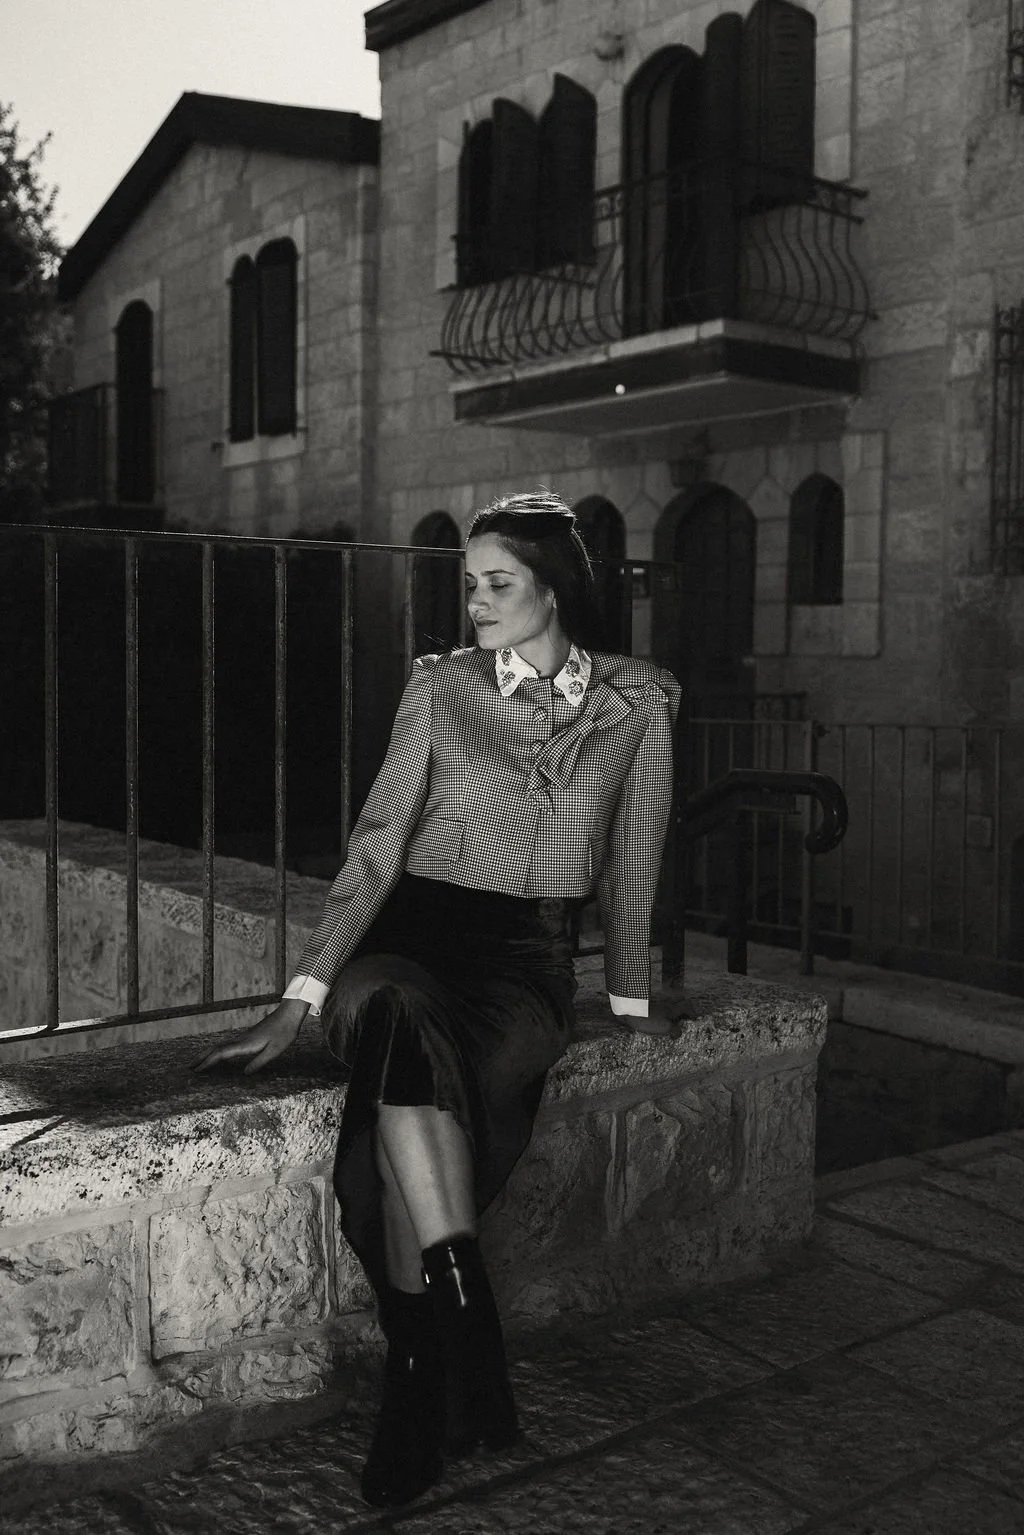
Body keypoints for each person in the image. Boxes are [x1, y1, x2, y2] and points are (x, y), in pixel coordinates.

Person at [194, 489, 686, 1508]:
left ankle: (433, 1361)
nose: (476, 604)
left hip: (525, 964)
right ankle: (453, 1322)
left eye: (497, 584)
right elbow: (378, 841)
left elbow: (634, 862)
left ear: (557, 590)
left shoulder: (637, 704)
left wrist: (631, 1004)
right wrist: (303, 992)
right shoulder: (441, 688)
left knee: (415, 1096)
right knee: (392, 1014)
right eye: (469, 585)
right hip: (409, 939)